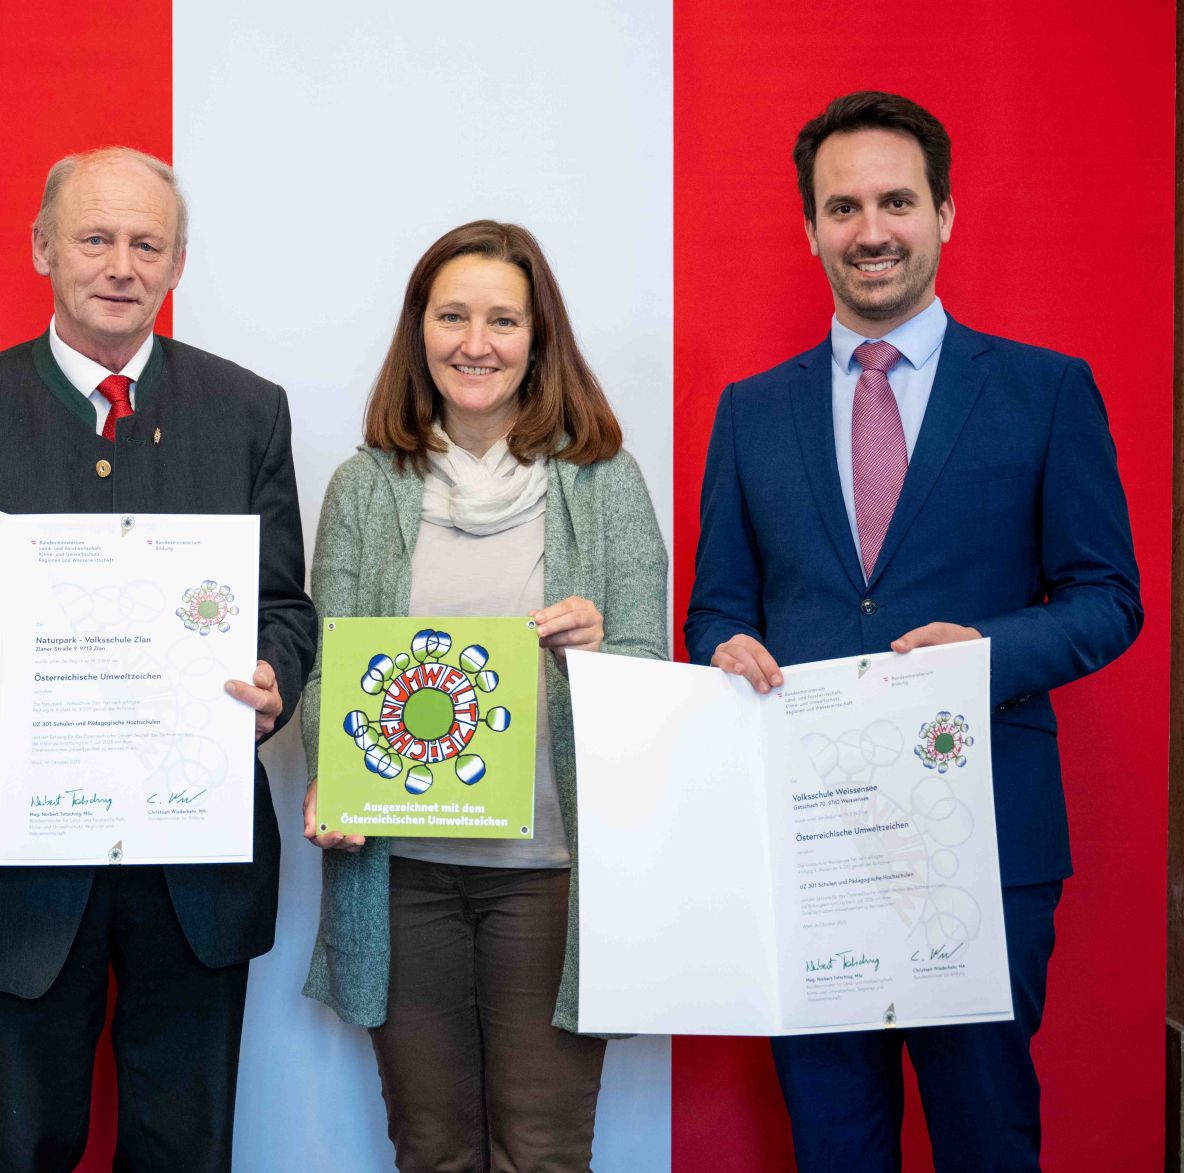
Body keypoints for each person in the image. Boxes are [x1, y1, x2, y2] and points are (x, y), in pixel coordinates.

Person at [685, 91, 1142, 1170]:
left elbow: (1106, 597)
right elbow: (719, 605)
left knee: (986, 1138)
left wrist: (983, 656)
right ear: (808, 229)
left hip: (981, 839)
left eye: (895, 201)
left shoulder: (1042, 393)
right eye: (841, 208)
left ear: (943, 212)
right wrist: (720, 649)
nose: (869, 230)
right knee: (834, 1143)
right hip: (809, 842)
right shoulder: (751, 412)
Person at [0, 146, 315, 1172]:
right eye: (94, 238)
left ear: (176, 265)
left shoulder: (246, 409)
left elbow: (284, 607)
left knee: (182, 1149)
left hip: (192, 860)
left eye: (146, 244)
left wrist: (270, 679)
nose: (120, 265)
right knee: (13, 1146)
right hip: (6, 873)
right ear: (42, 247)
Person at [299, 220, 668, 1171]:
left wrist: (600, 653)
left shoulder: (605, 483)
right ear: (418, 329)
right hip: (402, 871)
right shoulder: (366, 488)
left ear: (539, 338)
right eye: (453, 314)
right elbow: (326, 674)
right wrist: (331, 779)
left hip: (549, 876)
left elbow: (651, 676)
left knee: (543, 1152)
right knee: (432, 1149)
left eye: (504, 319)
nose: (476, 342)